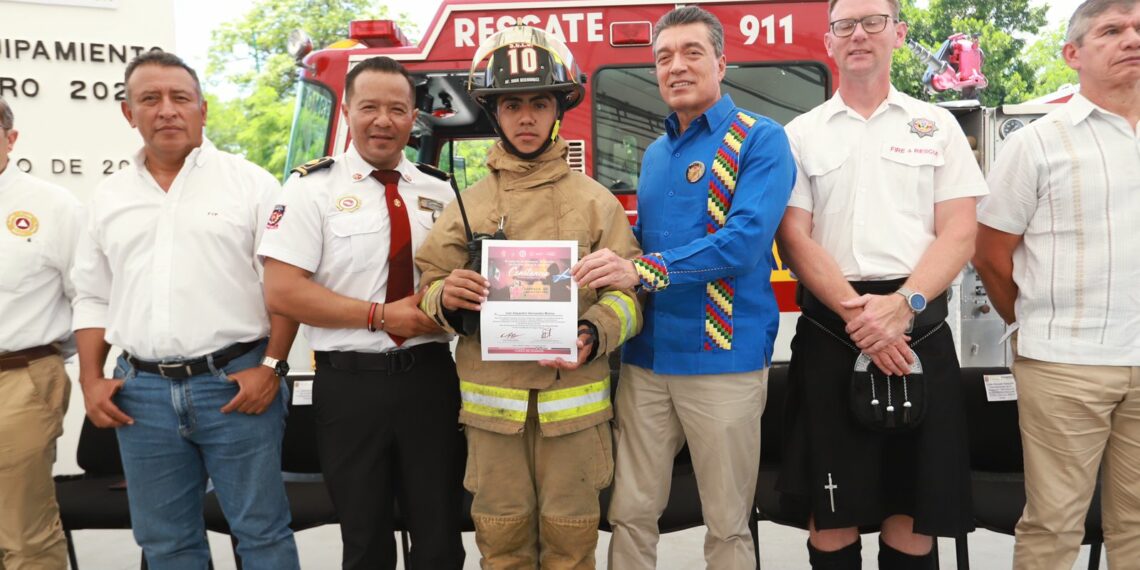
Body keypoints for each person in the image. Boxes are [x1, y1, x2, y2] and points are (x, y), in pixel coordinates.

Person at [573, 6, 795, 568]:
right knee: (630, 513)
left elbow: (743, 242)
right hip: (647, 361)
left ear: (721, 63)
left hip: (723, 362)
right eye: (664, 57)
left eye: (692, 53)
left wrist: (640, 270)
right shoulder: (655, 154)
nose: (676, 67)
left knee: (727, 524)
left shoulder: (760, 140)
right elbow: (641, 242)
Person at [416, 25, 641, 569]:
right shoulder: (466, 204)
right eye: (511, 104)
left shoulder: (596, 203)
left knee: (572, 543)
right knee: (502, 544)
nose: (525, 117)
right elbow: (426, 288)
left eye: (538, 103)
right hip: (495, 422)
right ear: (494, 111)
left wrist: (593, 332)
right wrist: (449, 297)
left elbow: (631, 297)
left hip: (575, 419)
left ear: (558, 108)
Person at [773, 0, 988, 566]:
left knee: (914, 517)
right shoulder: (799, 135)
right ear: (829, 42)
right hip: (831, 330)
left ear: (899, 33)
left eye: (873, 22)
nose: (859, 35)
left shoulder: (936, 126)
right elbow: (795, 238)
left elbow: (960, 233)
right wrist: (860, 317)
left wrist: (904, 305)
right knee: (831, 518)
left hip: (919, 327)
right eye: (845, 25)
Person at [71, 51, 300, 570]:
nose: (167, 110)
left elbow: (285, 287)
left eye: (180, 98)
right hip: (141, 396)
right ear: (129, 113)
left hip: (237, 384)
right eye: (150, 99)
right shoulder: (108, 197)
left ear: (203, 108)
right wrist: (90, 379)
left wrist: (271, 369)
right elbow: (93, 296)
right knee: (166, 543)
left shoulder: (252, 185)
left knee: (261, 533)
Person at [259, 56, 465, 570]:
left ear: (414, 114)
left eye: (397, 109)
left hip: (430, 382)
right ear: (348, 110)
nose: (383, 120)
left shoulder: (440, 191)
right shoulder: (311, 189)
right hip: (350, 389)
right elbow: (282, 291)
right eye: (369, 107)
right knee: (366, 541)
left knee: (440, 537)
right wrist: (379, 316)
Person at [973, 1, 1140, 567]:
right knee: (1054, 524)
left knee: (1138, 524)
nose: (1131, 39)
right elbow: (990, 255)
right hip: (1063, 363)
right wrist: (1026, 324)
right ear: (1073, 54)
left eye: (1139, 29)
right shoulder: (1036, 145)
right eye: (1112, 30)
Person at [0, 96, 82, 569]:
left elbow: (87, 297)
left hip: (19, 378)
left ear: (11, 140)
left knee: (24, 534)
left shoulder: (51, 206)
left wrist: (47, 361)